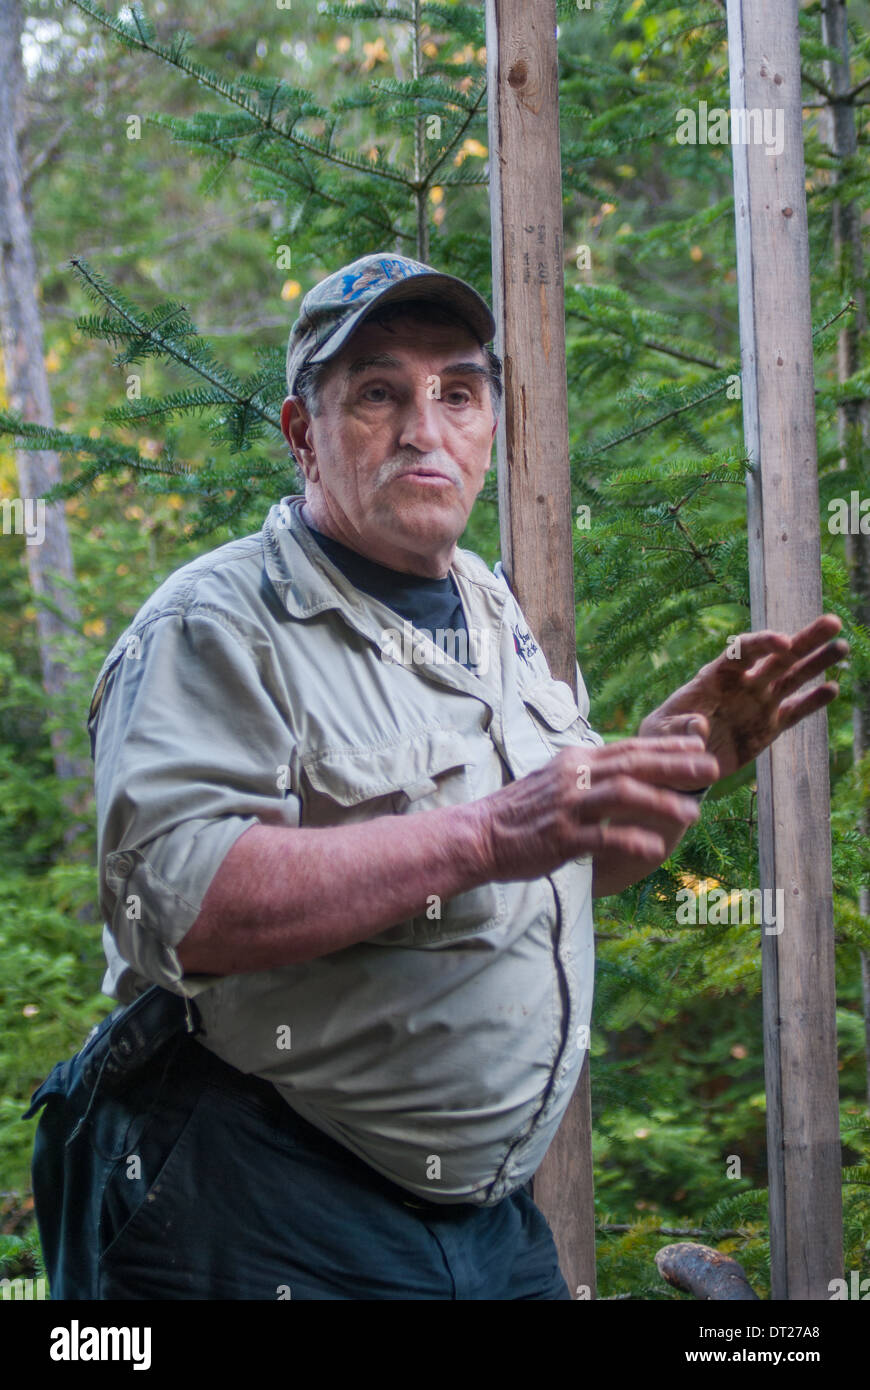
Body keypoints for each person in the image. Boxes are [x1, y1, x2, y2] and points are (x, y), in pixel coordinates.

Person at [25, 251, 848, 1301]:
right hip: (266, 1208)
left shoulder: (498, 612)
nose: (425, 427)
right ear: (300, 432)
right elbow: (174, 901)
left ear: (490, 427)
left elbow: (536, 878)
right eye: (378, 393)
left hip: (492, 1223)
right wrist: (496, 829)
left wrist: (663, 769)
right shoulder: (215, 626)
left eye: (458, 393)